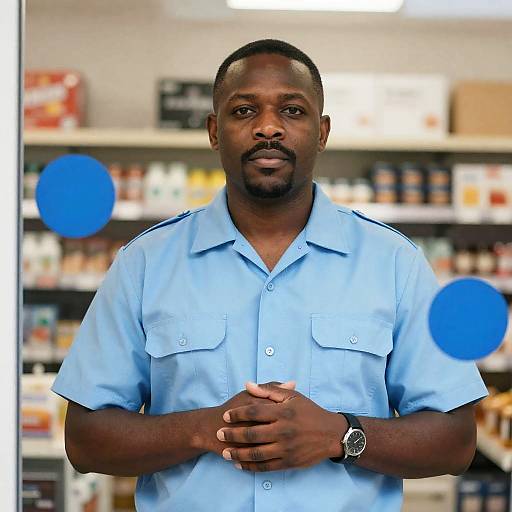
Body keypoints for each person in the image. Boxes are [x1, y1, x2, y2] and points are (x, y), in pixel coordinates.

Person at [52, 39, 488, 511]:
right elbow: (85, 438)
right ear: (214, 131)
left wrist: (341, 435)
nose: (267, 128)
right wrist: (206, 427)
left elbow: (455, 440)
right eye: (243, 111)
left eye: (292, 111)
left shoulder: (396, 264)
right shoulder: (144, 263)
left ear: (321, 133)